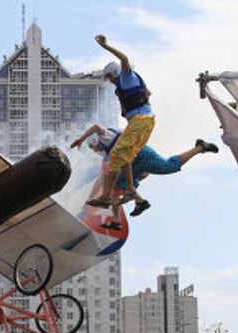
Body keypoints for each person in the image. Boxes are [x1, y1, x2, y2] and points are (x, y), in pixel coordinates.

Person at [72, 124, 218, 229]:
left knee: (168, 167)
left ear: (95, 142)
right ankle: (122, 216)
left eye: (94, 147)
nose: (95, 151)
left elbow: (96, 127)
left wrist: (81, 138)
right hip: (132, 164)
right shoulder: (106, 154)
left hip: (140, 154)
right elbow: (105, 179)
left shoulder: (106, 137)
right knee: (116, 186)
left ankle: (200, 147)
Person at [85, 34, 155, 216]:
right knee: (124, 158)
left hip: (140, 122)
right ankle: (134, 194)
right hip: (143, 124)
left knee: (116, 155)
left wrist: (106, 46)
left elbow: (124, 59)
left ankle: (106, 197)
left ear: (115, 73)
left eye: (109, 77)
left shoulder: (126, 76)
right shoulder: (122, 85)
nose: (110, 81)